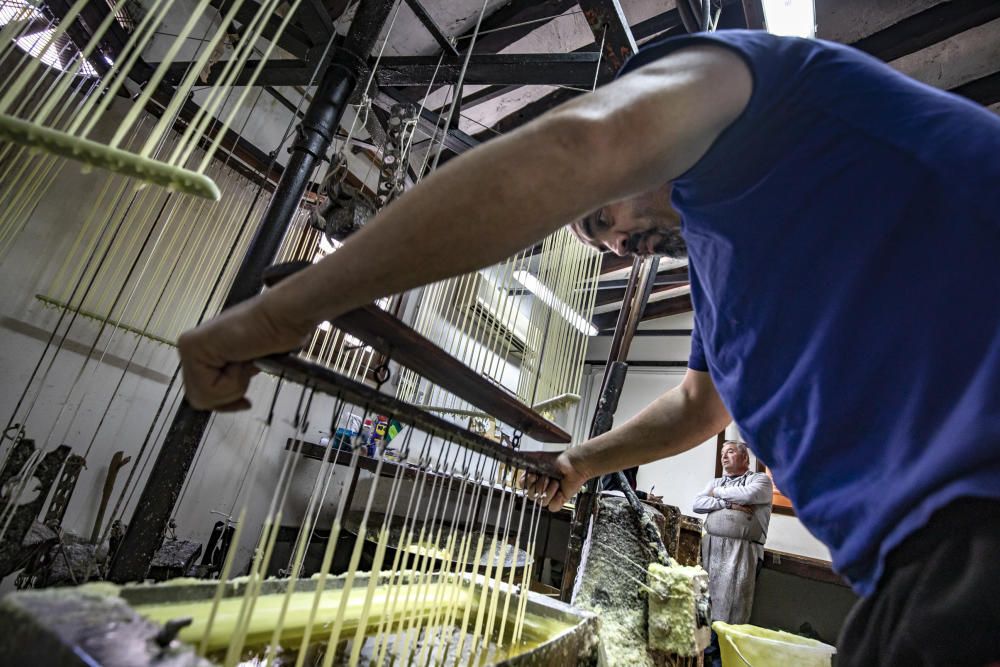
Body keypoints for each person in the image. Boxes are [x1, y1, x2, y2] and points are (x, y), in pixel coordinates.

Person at [178, 29, 1000, 665]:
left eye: (600, 217)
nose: (613, 246)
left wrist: (286, 310)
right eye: (598, 237)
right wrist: (578, 461)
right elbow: (695, 406)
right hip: (919, 563)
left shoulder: (747, 90)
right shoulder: (725, 264)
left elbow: (581, 148)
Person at [694, 440, 772, 666]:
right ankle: (703, 657)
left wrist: (717, 494)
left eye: (730, 452)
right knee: (705, 606)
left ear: (745, 458)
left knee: (732, 612)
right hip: (711, 550)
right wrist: (727, 505)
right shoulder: (716, 480)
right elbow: (697, 503)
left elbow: (749, 495)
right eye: (721, 453)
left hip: (742, 553)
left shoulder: (761, 480)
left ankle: (721, 659)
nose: (723, 457)